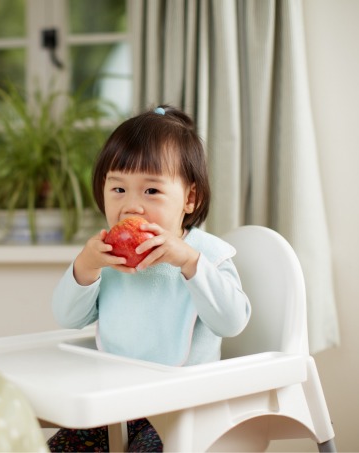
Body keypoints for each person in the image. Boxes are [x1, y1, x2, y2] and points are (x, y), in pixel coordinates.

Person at [47, 105, 252, 452]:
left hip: (186, 405)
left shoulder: (207, 256)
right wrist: (86, 265)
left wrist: (189, 262)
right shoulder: (106, 256)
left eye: (151, 191)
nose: (131, 207)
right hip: (115, 402)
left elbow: (232, 321)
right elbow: (67, 317)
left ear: (190, 198)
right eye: (118, 190)